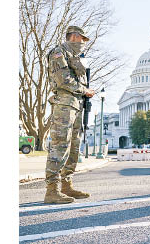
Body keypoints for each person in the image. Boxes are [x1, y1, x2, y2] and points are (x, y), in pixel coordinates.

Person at [44, 26, 96, 204]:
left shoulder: (75, 57)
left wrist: (84, 93)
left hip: (76, 106)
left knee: (73, 147)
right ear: (74, 37)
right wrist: (85, 90)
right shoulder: (58, 53)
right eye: (82, 40)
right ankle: (52, 190)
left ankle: (66, 185)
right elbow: (63, 80)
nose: (83, 44)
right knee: (60, 146)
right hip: (64, 106)